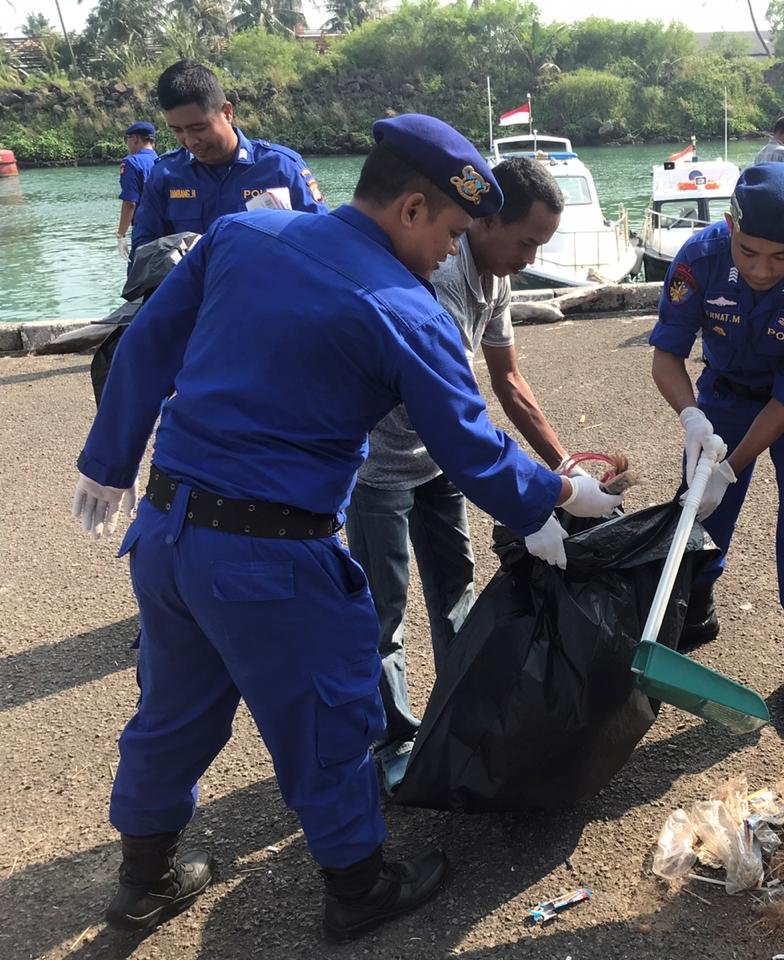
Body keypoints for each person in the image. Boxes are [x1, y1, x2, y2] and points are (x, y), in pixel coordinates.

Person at [69, 114, 622, 941]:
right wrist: (559, 497)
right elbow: (469, 450)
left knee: (173, 712)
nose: (449, 252)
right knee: (330, 720)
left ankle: (143, 881)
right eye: (450, 230)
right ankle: (359, 887)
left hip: (167, 534)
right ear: (409, 210)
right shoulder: (406, 309)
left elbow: (147, 342)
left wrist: (109, 459)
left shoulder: (243, 235)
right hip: (272, 559)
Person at [346, 156, 572, 777]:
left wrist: (566, 468)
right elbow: (448, 417)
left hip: (443, 464)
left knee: (456, 593)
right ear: (484, 220)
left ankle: (463, 714)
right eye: (526, 241)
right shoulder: (438, 277)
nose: (530, 258)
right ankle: (393, 743)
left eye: (540, 246)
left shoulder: (496, 279)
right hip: (382, 469)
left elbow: (507, 379)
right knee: (380, 613)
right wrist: (531, 500)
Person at [650, 163, 784, 730]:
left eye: (782, 256)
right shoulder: (699, 258)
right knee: (698, 511)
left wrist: (731, 466)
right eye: (750, 251)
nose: (763, 269)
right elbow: (667, 353)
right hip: (723, 394)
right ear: (730, 223)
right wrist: (692, 418)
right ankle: (699, 608)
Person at [130, 59, 326, 253]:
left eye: (198, 128)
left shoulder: (281, 168)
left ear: (227, 112)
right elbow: (144, 254)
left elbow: (321, 243)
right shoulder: (165, 175)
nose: (190, 141)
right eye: (177, 130)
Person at [116, 121, 157, 260]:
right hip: (164, 229)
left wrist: (121, 235)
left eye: (126, 139)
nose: (126, 144)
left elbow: (130, 203)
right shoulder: (161, 161)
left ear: (135, 139)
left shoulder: (131, 162)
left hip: (144, 230)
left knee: (138, 277)